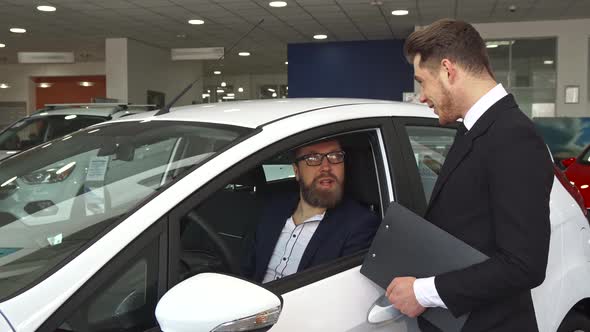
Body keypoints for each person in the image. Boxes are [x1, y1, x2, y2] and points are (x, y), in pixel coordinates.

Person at [385, 19, 553, 331]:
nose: (421, 96)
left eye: (422, 81)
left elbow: (524, 265)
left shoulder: (513, 136)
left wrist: (424, 291)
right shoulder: (474, 128)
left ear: (448, 71)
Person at [242, 138, 380, 283]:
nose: (326, 167)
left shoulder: (360, 225)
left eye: (335, 156)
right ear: (297, 171)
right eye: (313, 158)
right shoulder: (272, 210)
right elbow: (246, 270)